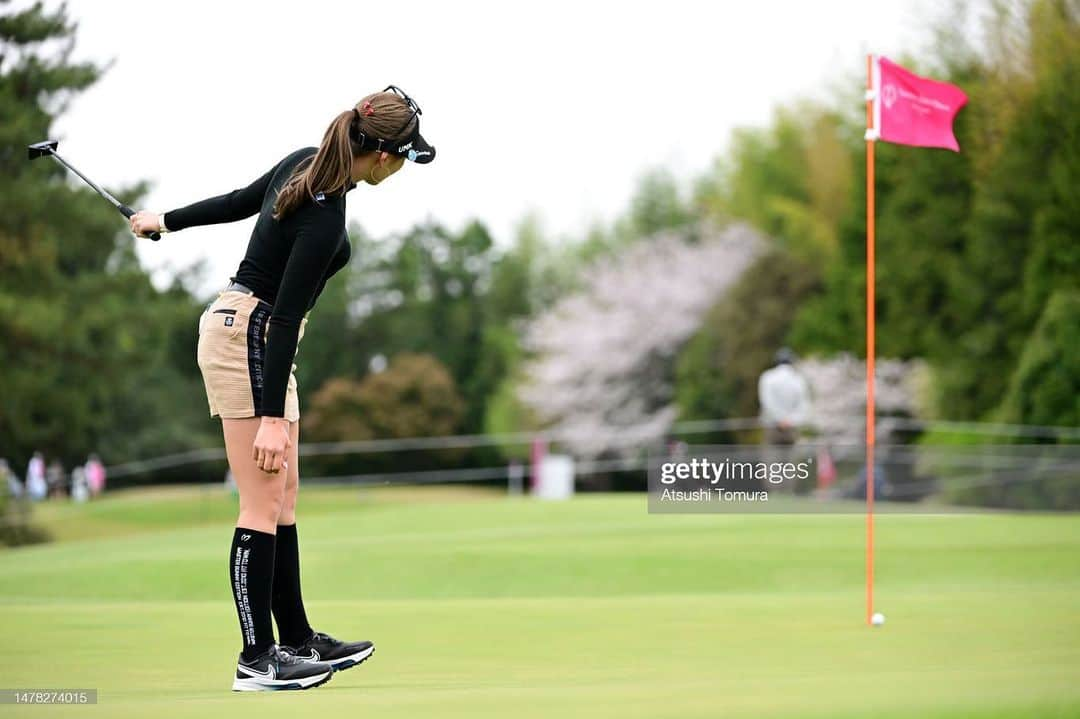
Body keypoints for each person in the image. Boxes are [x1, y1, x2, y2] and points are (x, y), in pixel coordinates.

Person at [130, 86, 434, 692]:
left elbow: (241, 201)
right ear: (380, 156)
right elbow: (285, 317)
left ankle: (295, 638)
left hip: (255, 334)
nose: (401, 169)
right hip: (252, 334)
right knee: (261, 501)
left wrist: (165, 219)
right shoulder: (323, 216)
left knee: (283, 493)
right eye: (403, 158)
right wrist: (270, 418)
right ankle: (256, 657)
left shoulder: (308, 164)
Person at [757, 348, 812, 491]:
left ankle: (775, 492)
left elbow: (767, 401)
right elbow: (804, 405)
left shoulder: (768, 377)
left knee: (772, 461)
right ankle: (788, 492)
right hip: (792, 427)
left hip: (773, 426)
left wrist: (780, 419)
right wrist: (790, 420)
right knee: (790, 462)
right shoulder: (799, 379)